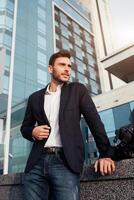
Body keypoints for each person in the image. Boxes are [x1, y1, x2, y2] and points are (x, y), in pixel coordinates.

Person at [21, 49, 115, 200]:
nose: (67, 69)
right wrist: (33, 132)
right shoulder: (34, 98)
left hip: (65, 161)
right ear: (50, 68)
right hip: (36, 163)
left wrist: (105, 154)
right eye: (62, 65)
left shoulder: (77, 90)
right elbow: (24, 128)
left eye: (69, 66)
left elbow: (94, 121)